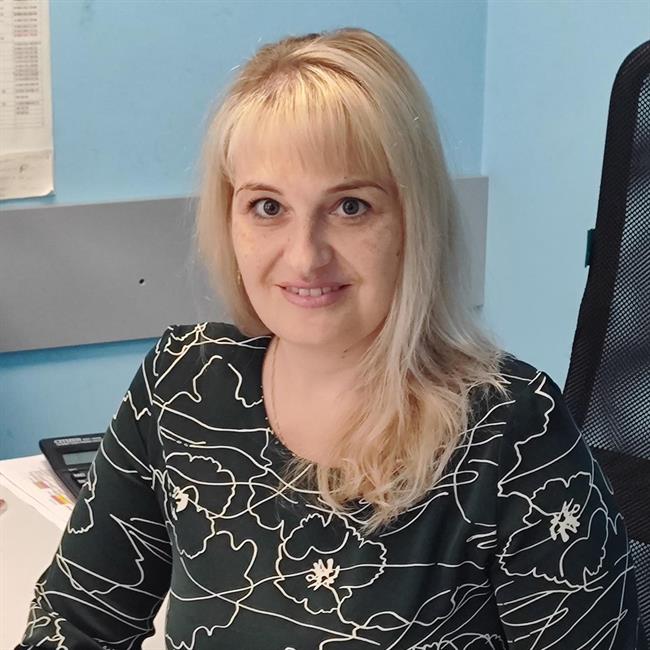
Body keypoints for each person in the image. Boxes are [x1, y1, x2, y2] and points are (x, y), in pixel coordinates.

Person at [17, 28, 645, 650]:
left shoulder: (512, 431)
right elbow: (77, 620)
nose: (305, 256)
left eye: (350, 206)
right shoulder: (184, 381)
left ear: (414, 219)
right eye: (268, 207)